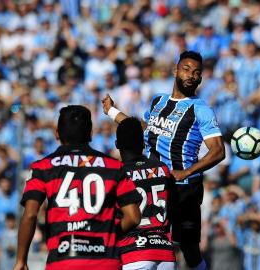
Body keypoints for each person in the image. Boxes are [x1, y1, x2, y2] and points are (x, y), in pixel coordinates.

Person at [102, 50, 225, 270]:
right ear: (176, 70)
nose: (191, 76)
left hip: (183, 187)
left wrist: (186, 172)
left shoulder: (201, 109)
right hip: (153, 183)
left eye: (196, 73)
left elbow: (218, 151)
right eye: (186, 69)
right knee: (140, 238)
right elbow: (143, 130)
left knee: (189, 248)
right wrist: (112, 112)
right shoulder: (159, 101)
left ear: (200, 78)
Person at [13, 105, 141, 270]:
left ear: (57, 134)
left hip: (63, 262)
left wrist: (21, 260)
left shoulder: (42, 167)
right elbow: (133, 217)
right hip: (105, 262)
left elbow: (30, 215)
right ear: (90, 134)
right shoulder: (114, 166)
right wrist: (106, 233)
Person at [115, 117, 176, 270]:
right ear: (143, 144)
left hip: (133, 253)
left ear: (117, 145)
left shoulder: (116, 174)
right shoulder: (163, 169)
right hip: (165, 255)